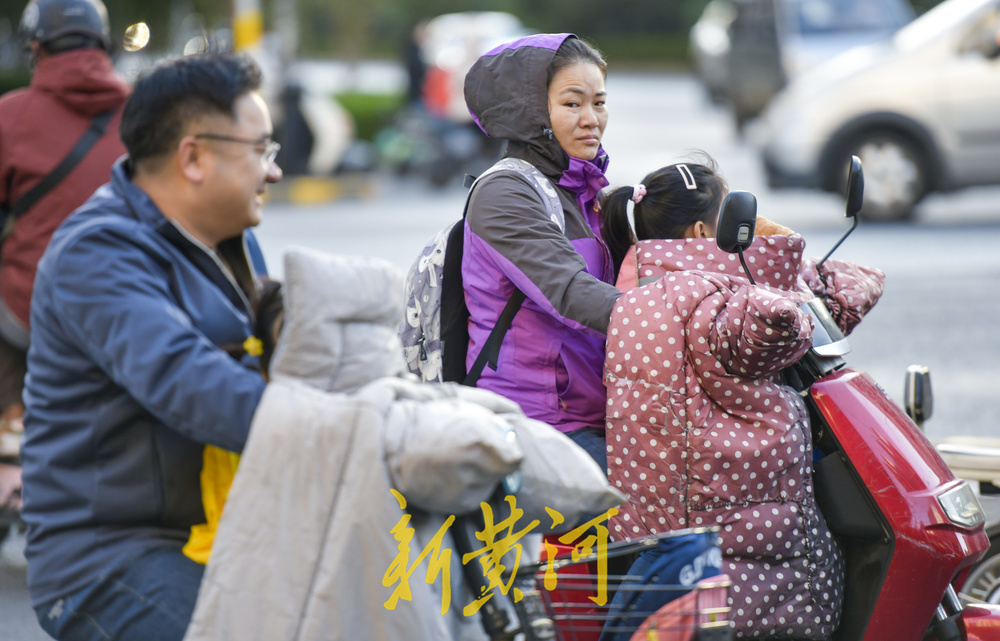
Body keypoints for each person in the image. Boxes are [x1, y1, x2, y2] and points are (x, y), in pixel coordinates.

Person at [19, 51, 280, 641]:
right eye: (261, 150)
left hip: (219, 524)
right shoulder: (98, 252)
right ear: (194, 156)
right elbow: (189, 381)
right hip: (112, 556)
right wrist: (348, 428)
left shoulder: (227, 240)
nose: (274, 171)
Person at [598, 158, 885, 639]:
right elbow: (784, 326)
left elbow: (840, 299)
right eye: (732, 219)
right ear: (698, 234)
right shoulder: (708, 298)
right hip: (733, 514)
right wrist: (781, 248)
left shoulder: (639, 292)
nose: (749, 231)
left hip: (674, 520)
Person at [462, 33, 621, 469]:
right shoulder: (505, 193)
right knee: (656, 521)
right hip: (535, 424)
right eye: (573, 104)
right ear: (531, 112)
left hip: (598, 412)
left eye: (599, 102)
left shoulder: (586, 190)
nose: (592, 119)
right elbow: (570, 292)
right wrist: (679, 318)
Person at [0, 0, 129, 517]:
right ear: (104, 45)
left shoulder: (10, 115)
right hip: (123, 312)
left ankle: (11, 435)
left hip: (28, 314)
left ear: (36, 47)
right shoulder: (146, 114)